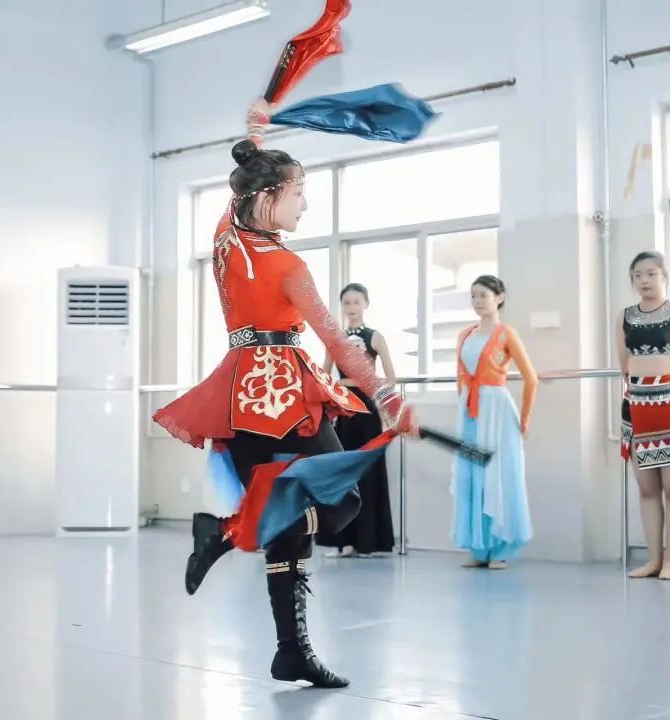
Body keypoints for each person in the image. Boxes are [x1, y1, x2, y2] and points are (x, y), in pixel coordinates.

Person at [152, 100, 417, 688]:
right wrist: (391, 401)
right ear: (269, 195)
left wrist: (253, 136)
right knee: (338, 502)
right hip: (285, 394)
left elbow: (239, 188)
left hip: (241, 390)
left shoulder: (225, 238)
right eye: (299, 193)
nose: (305, 204)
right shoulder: (289, 265)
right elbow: (340, 343)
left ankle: (287, 644)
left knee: (290, 520)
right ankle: (231, 547)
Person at [616, 251, 670, 581]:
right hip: (637, 406)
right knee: (646, 488)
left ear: (664, 276)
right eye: (637, 275)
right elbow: (624, 365)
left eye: (651, 273)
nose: (644, 280)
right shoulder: (624, 316)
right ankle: (653, 559)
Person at [451, 275, 538, 569]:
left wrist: (524, 419)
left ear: (499, 297)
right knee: (472, 476)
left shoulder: (506, 334)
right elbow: (460, 376)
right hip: (470, 414)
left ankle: (501, 548)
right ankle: (479, 547)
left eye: (483, 295)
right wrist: (463, 406)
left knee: (500, 475)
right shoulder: (464, 335)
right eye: (473, 295)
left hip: (498, 413)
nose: (477, 301)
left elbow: (531, 379)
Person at [317, 283, 396, 557]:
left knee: (368, 471)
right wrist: (331, 398)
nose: (351, 307)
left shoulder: (375, 336)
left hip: (367, 409)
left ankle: (368, 541)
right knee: (342, 471)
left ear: (366, 304)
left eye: (356, 302)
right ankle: (344, 540)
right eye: (347, 302)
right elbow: (324, 376)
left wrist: (384, 406)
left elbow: (390, 377)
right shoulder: (335, 339)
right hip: (343, 409)